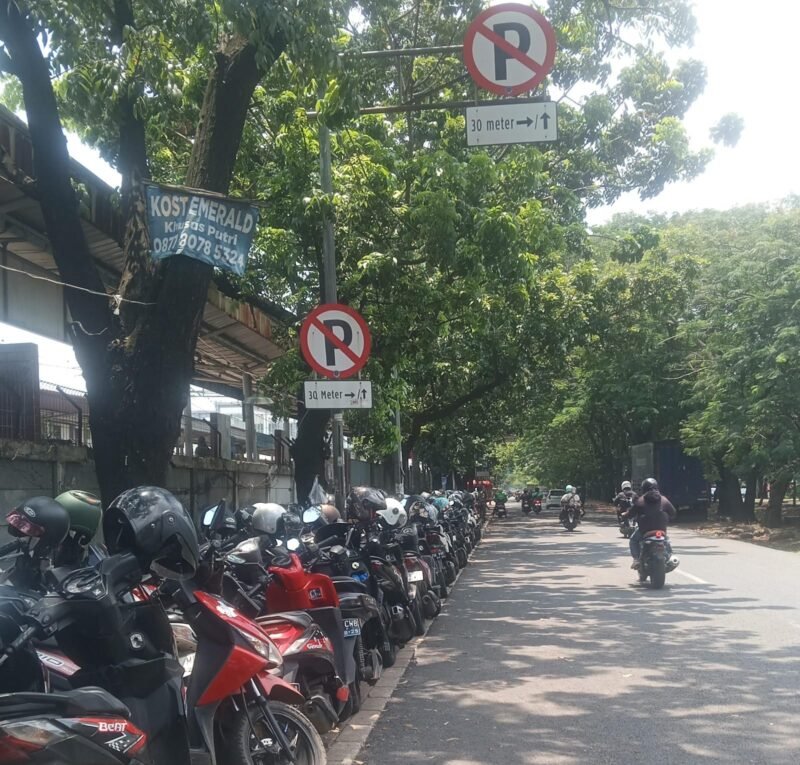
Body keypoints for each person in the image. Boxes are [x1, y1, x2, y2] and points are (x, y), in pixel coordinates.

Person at [624, 478, 679, 570]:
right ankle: (670, 557)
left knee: (633, 540)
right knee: (666, 540)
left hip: (645, 530)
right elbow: (673, 513)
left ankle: (636, 560)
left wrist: (625, 515)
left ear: (644, 488)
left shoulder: (640, 501)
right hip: (661, 530)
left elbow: (630, 514)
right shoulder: (664, 500)